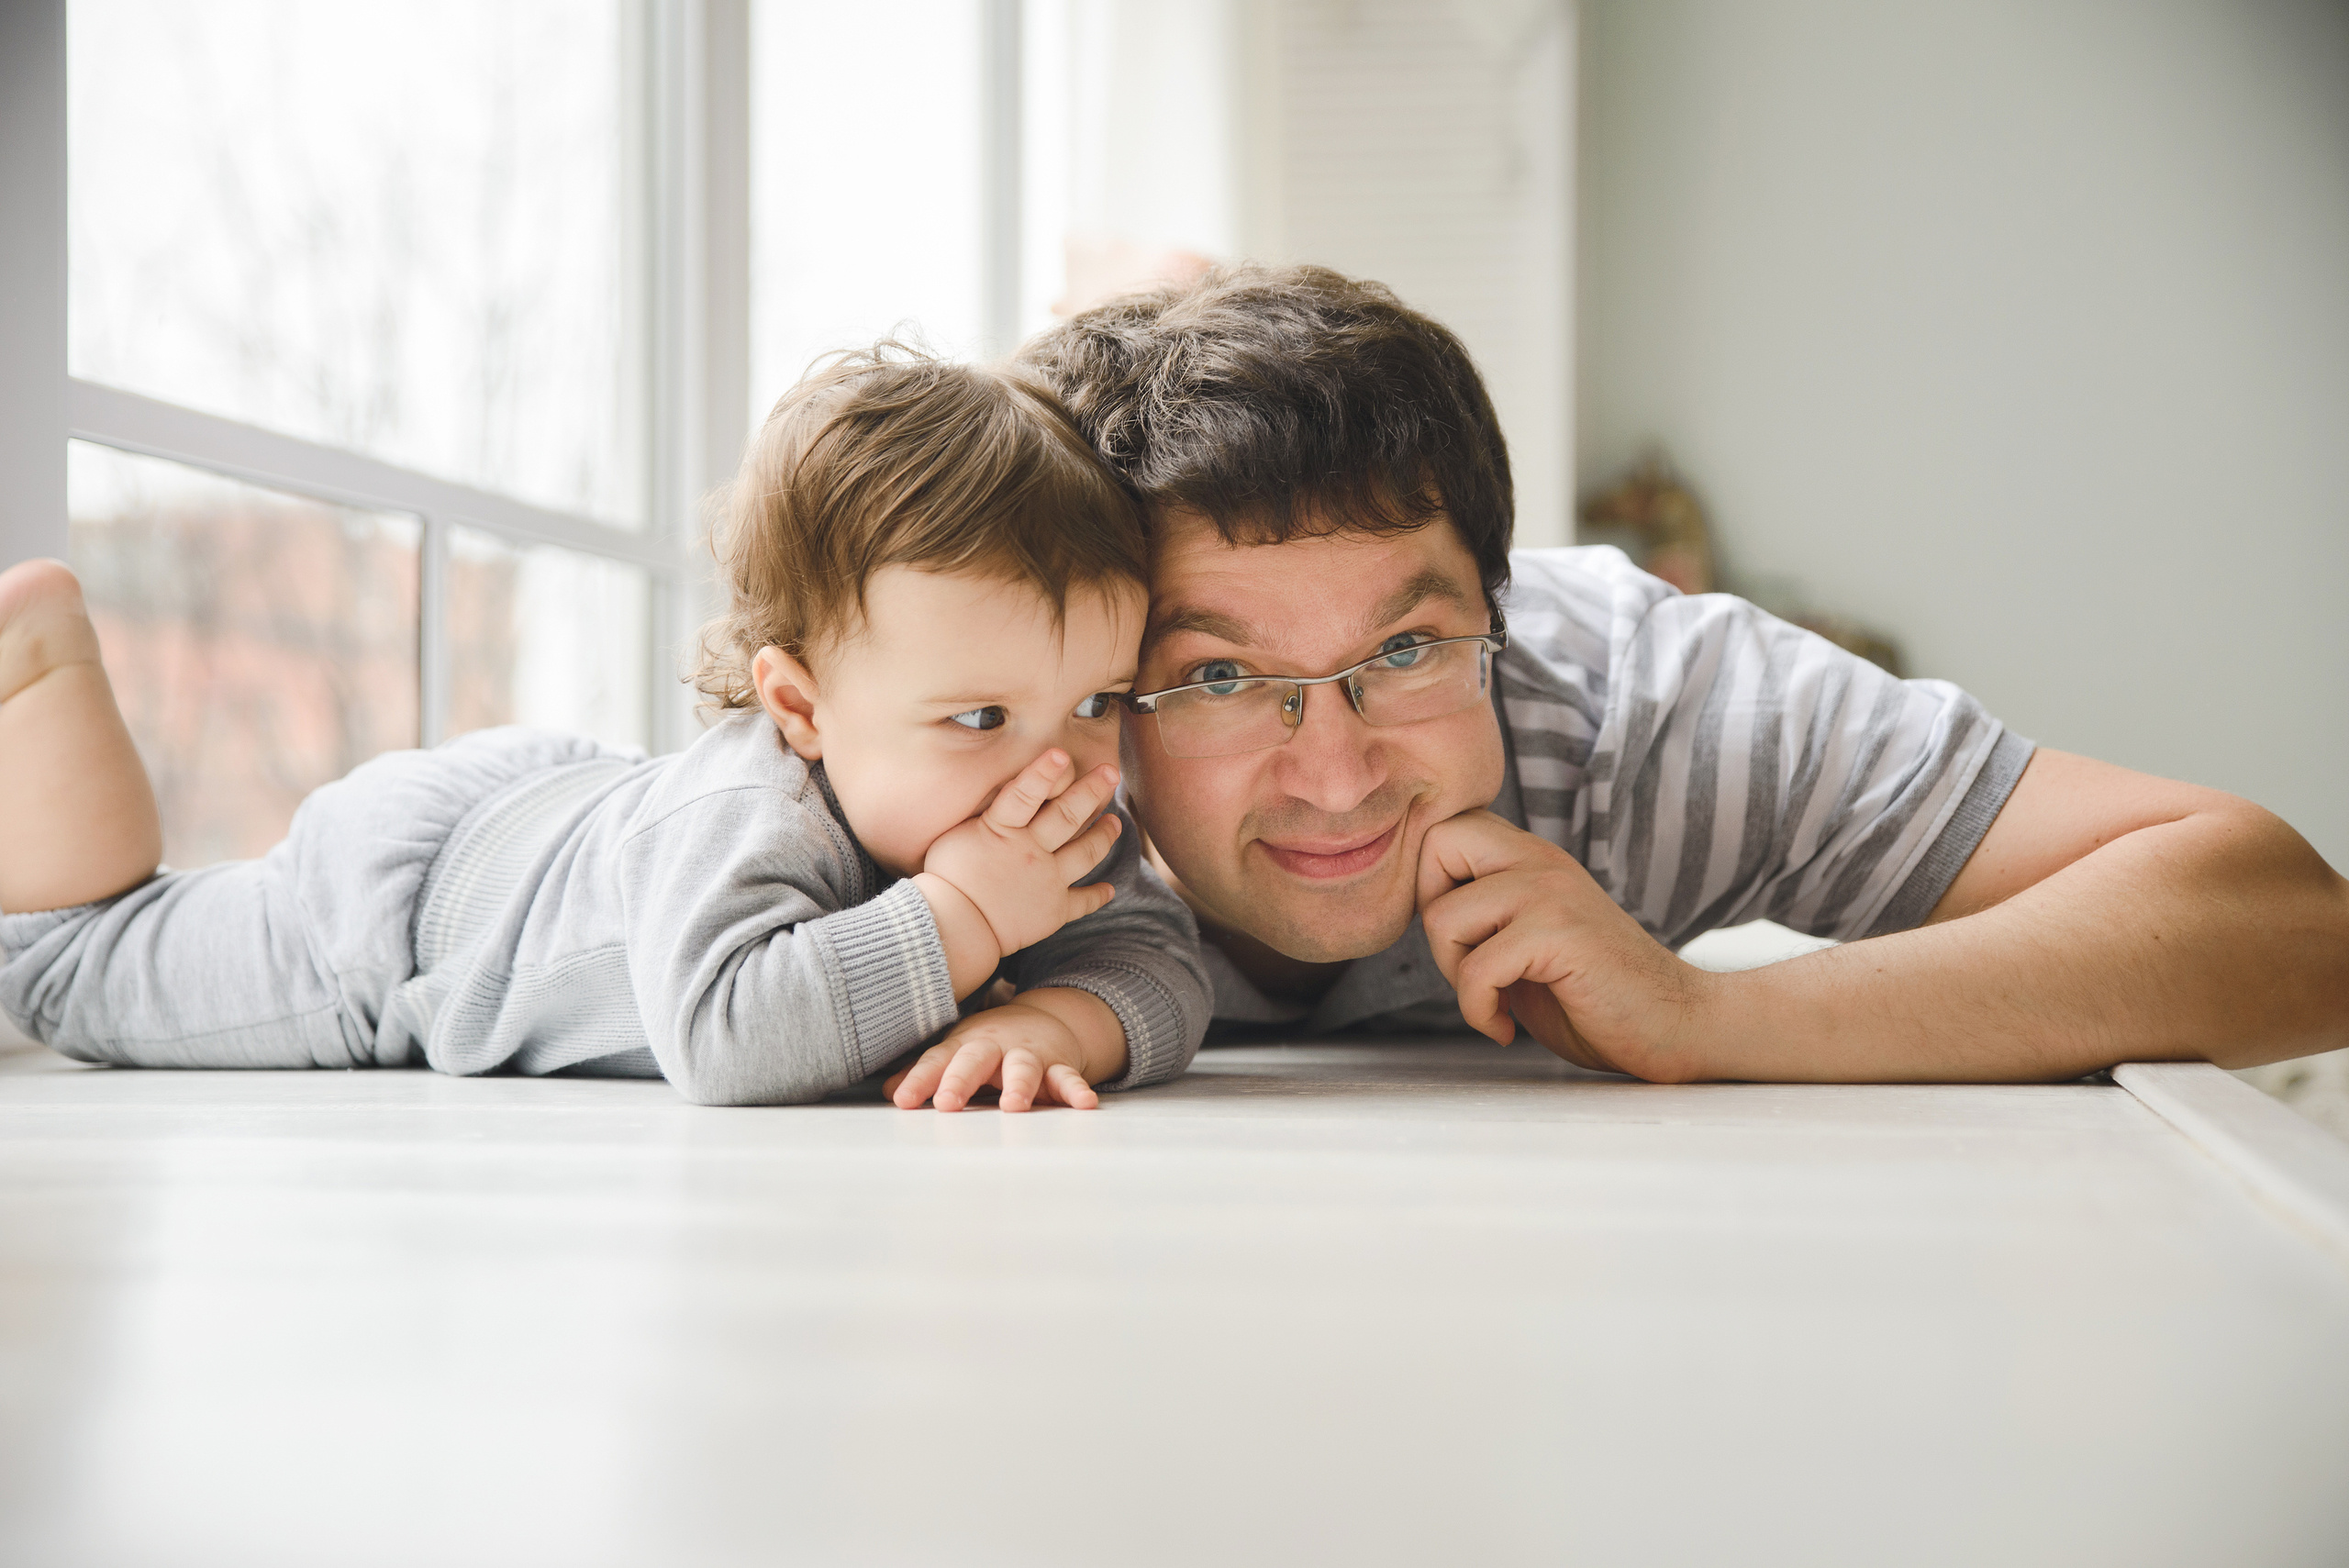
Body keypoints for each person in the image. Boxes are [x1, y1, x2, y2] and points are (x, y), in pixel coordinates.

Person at [1018, 264, 2349, 1081]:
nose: (1336, 772)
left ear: (1501, 603)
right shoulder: (973, 746)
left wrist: (1705, 1017)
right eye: (1222, 680)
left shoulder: (1642, 702)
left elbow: (2299, 930)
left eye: (1408, 648)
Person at [0, 349, 1209, 1110]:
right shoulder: (756, 815)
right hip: (411, 909)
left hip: (578, 818)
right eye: (980, 716)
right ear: (800, 709)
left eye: (1099, 699)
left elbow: (1162, 965)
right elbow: (727, 1036)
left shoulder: (1041, 801)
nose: (1061, 763)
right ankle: (41, 673)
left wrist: (1061, 1018)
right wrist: (966, 920)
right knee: (70, 966)